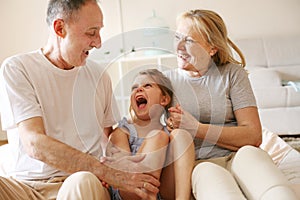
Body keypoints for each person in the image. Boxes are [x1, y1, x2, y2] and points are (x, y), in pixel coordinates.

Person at [0, 0, 160, 199]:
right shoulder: (18, 68)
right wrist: (108, 173)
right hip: (26, 187)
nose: (98, 43)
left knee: (82, 180)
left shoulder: (98, 76)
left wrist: (120, 166)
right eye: (91, 33)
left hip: (79, 184)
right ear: (60, 28)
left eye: (99, 32)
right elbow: (34, 143)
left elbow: (109, 137)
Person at [164, 9, 298, 199]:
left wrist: (197, 128)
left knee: (275, 189)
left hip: (241, 154)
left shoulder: (233, 74)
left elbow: (253, 135)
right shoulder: (165, 83)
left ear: (212, 49)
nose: (179, 46)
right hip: (201, 163)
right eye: (177, 37)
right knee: (216, 184)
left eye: (190, 41)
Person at [107, 68, 195, 200]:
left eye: (147, 85)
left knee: (181, 135)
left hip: (162, 192)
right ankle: (146, 195)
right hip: (131, 190)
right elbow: (123, 170)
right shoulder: (123, 131)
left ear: (164, 100)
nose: (139, 89)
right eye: (134, 87)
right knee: (157, 136)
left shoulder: (169, 132)